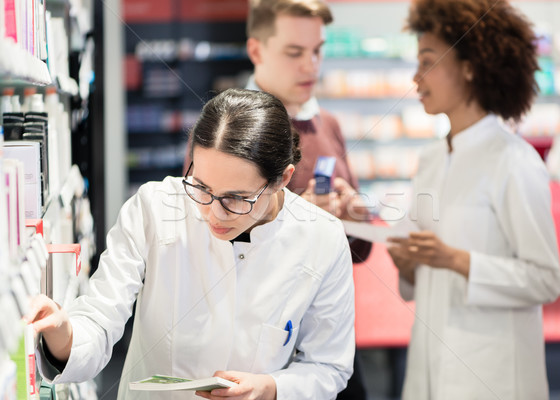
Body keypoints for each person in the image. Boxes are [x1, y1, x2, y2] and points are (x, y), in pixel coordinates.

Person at [25, 88, 356, 400]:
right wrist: (64, 333)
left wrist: (270, 388)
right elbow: (100, 316)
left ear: (282, 179)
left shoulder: (322, 238)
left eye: (236, 199)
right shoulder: (153, 208)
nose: (213, 212)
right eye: (201, 186)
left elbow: (329, 366)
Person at [386, 1, 560, 399]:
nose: (416, 78)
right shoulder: (431, 159)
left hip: (493, 378)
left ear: (470, 66)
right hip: (428, 374)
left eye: (428, 61)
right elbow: (415, 276)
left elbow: (546, 279)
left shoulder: (514, 161)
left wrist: (457, 260)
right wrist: (407, 262)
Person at [246, 1, 372, 398]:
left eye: (317, 50)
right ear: (257, 51)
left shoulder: (327, 124)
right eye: (294, 52)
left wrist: (354, 217)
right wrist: (298, 220)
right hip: (258, 355)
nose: (310, 65)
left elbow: (354, 251)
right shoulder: (227, 127)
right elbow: (207, 239)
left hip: (330, 342)